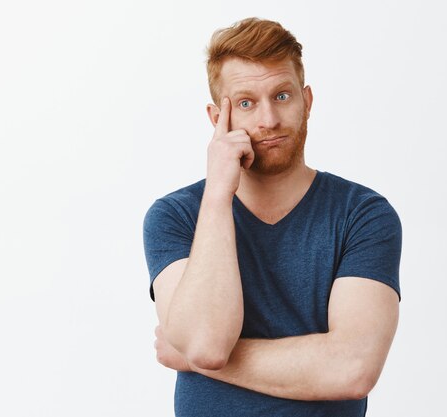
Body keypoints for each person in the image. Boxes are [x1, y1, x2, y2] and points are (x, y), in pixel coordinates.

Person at [143, 17, 402, 417]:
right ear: (217, 120)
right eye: (246, 103)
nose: (268, 120)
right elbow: (207, 344)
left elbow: (352, 369)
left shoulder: (363, 214)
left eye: (282, 96)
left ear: (307, 101)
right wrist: (216, 195)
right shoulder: (176, 216)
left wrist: (193, 357)